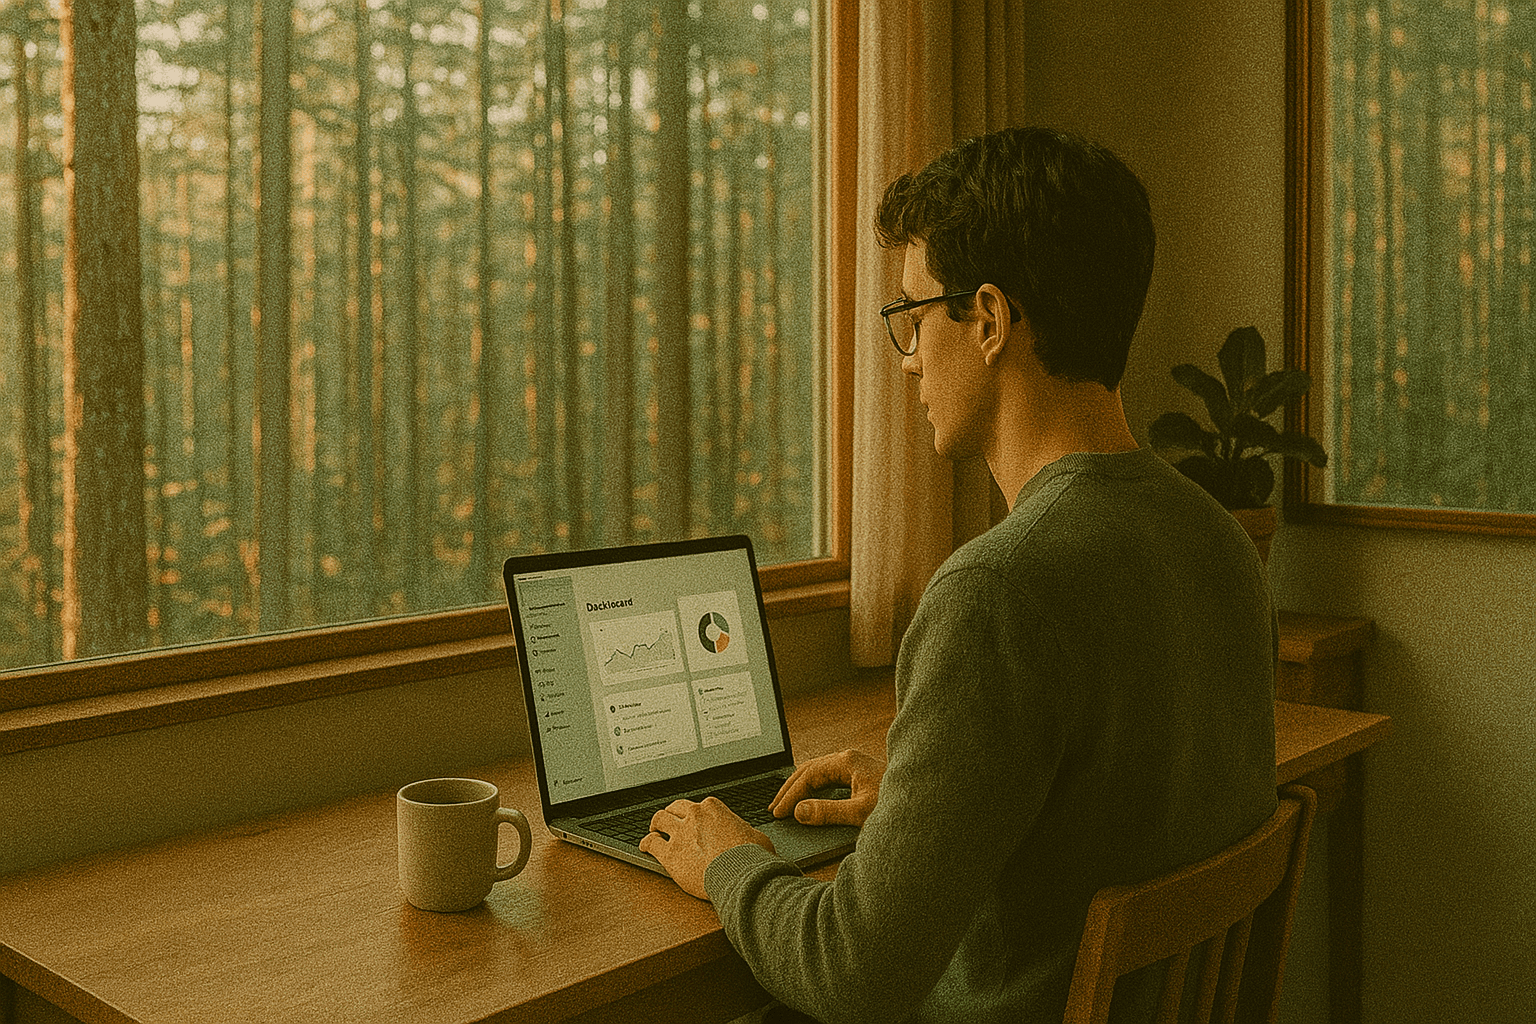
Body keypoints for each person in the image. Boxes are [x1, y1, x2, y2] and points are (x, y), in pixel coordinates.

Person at [639, 126, 1278, 1024]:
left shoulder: (997, 594)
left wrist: (728, 862)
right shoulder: (1216, 537)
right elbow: (1111, 802)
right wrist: (919, 791)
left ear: (987, 320)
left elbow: (848, 971)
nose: (904, 359)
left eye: (911, 315)